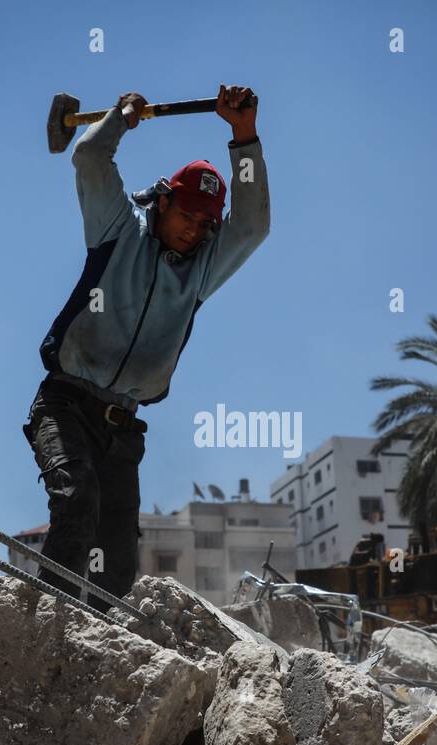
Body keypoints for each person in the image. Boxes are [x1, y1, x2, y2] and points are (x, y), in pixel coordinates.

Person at [25, 84, 270, 611]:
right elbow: (89, 154)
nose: (196, 230)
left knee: (116, 555)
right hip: (65, 404)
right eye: (188, 215)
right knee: (76, 498)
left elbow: (251, 225)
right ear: (162, 201)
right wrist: (120, 118)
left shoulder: (202, 269)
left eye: (208, 224)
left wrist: (244, 135)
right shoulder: (118, 229)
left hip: (123, 428)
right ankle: (45, 625)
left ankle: (98, 644)